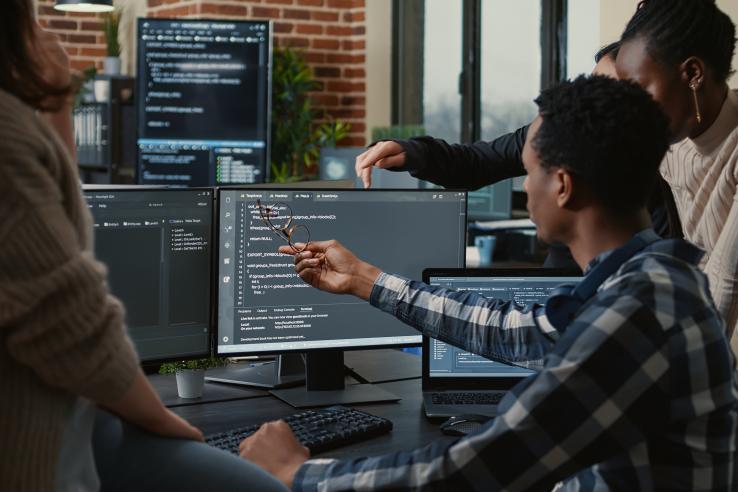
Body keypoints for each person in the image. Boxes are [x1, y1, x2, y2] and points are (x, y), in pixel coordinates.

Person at [240, 76, 738, 490]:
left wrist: (297, 473)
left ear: (562, 186)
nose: (523, 187)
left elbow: (477, 470)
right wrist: (364, 280)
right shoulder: (649, 282)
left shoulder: (638, 317)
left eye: (527, 172)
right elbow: (514, 331)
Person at [0, 2, 287, 491]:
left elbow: (62, 200)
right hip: (40, 438)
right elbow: (71, 322)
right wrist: (165, 422)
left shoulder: (15, 125)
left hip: (81, 416)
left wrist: (55, 95)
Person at [354, 42, 682, 271]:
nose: (591, 100)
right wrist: (413, 152)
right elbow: (475, 162)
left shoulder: (659, 172)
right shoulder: (557, 132)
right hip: (560, 294)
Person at [614, 0, 738, 355]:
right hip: (706, 333)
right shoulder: (672, 139)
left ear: (693, 73)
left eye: (640, 90)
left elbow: (726, 280)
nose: (631, 108)